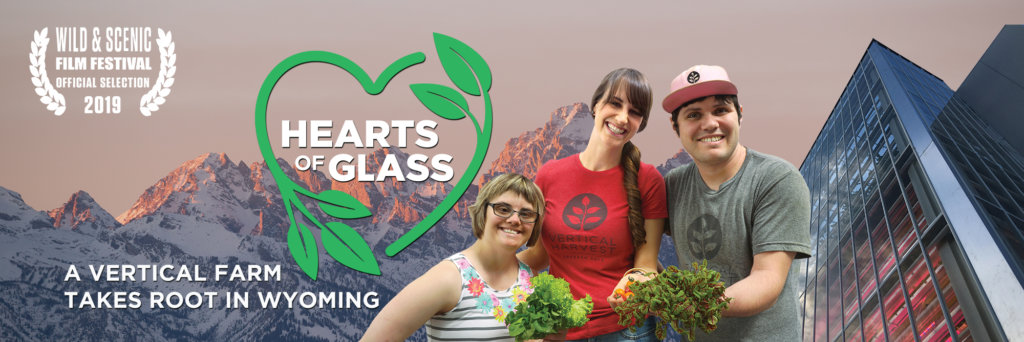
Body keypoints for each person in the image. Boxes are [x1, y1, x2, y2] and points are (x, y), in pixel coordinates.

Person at [661, 64, 812, 341]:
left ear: (739, 115)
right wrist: (656, 288)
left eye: (720, 110)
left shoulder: (777, 179)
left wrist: (691, 305)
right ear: (676, 127)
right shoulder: (673, 185)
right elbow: (639, 245)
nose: (709, 123)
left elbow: (766, 281)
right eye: (693, 115)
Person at [518, 68, 668, 341]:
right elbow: (539, 256)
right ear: (596, 105)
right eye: (615, 103)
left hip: (626, 330)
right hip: (560, 328)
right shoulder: (548, 175)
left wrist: (636, 282)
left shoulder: (648, 180)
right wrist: (479, 268)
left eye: (635, 112)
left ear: (641, 123)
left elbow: (646, 264)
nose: (623, 118)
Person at [362, 173, 545, 342]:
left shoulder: (532, 280)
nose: (515, 219)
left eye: (526, 214)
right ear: (482, 212)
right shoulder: (450, 277)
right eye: (503, 209)